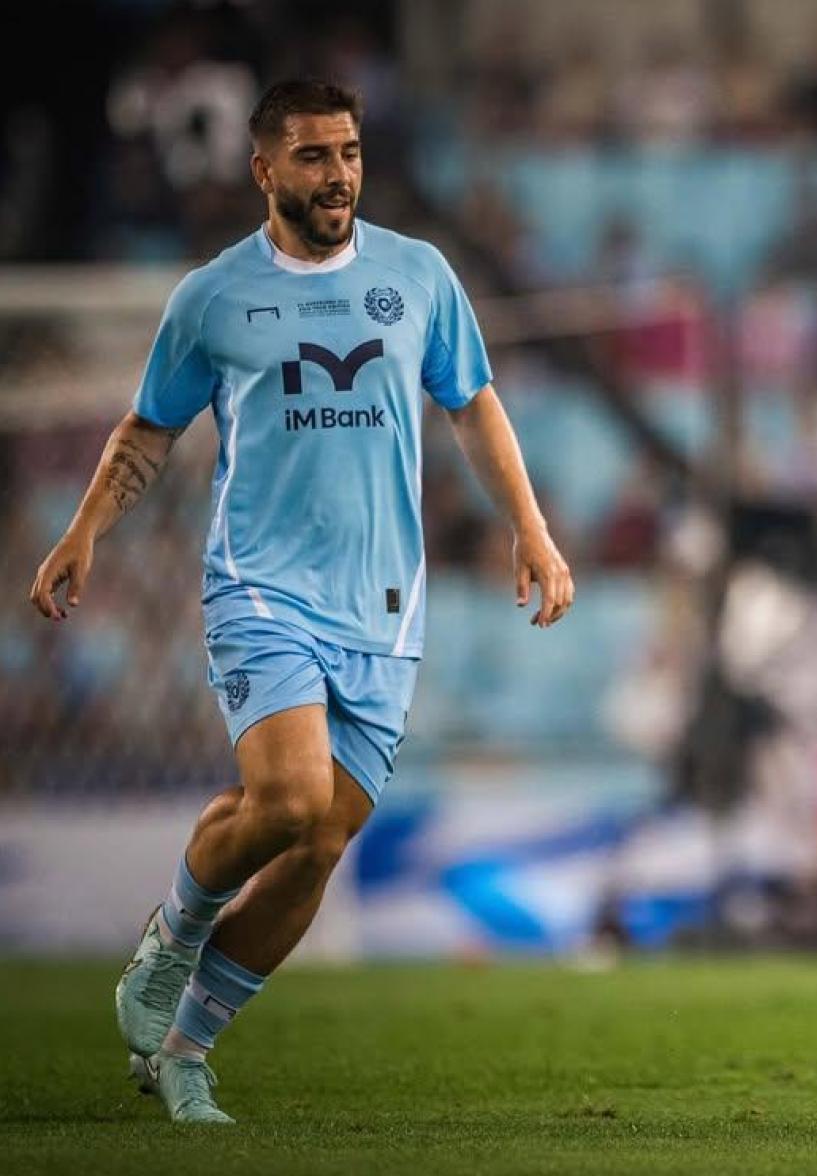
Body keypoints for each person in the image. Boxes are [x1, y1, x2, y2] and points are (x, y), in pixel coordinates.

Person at [27, 80, 574, 1124]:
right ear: (264, 169)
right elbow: (148, 430)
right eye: (316, 156)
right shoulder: (213, 297)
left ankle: (185, 1050)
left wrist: (533, 530)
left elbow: (473, 404)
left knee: (319, 843)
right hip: (259, 588)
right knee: (285, 800)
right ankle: (170, 941)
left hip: (384, 608)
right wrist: (83, 529)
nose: (340, 176)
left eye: (352, 153)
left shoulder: (418, 276)